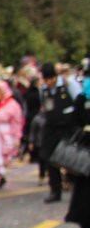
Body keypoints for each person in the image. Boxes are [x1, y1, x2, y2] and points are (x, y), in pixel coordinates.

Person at [41, 63, 83, 203]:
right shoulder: (45, 89)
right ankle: (55, 190)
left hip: (67, 127)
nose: (48, 82)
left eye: (50, 79)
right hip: (51, 127)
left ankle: (77, 188)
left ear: (55, 76)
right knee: (50, 159)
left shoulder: (68, 84)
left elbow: (79, 101)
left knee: (70, 159)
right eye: (46, 80)